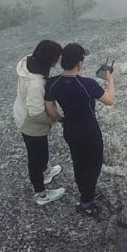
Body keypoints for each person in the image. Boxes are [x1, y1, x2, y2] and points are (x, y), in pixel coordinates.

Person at [45, 42, 115, 216]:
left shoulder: (53, 83)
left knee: (79, 162)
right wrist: (111, 80)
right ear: (79, 63)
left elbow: (50, 108)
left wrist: (62, 120)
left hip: (70, 129)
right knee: (94, 164)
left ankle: (85, 193)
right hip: (90, 131)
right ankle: (86, 202)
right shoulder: (88, 84)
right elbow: (110, 100)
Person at [14, 40, 66, 205]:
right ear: (49, 58)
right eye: (56, 57)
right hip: (31, 125)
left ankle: (46, 172)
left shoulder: (30, 60)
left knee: (41, 151)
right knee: (35, 159)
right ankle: (41, 194)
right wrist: (52, 119)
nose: (57, 61)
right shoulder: (36, 84)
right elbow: (36, 112)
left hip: (23, 114)